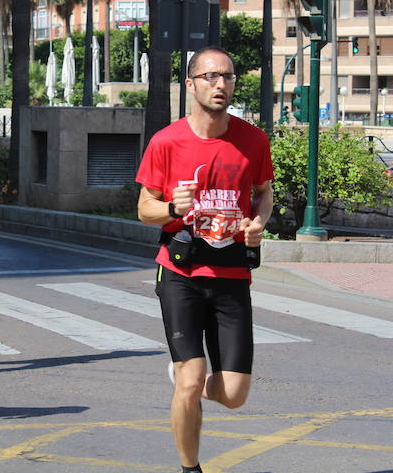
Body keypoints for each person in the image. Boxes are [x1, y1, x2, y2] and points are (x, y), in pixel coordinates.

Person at [135, 46, 274, 473]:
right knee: (192, 380)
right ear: (191, 84)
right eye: (211, 76)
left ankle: (187, 382)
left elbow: (265, 192)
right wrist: (174, 208)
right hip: (181, 270)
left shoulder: (252, 140)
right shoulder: (167, 141)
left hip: (231, 272)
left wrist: (258, 222)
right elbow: (144, 209)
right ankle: (189, 468)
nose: (221, 84)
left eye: (228, 77)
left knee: (234, 394)